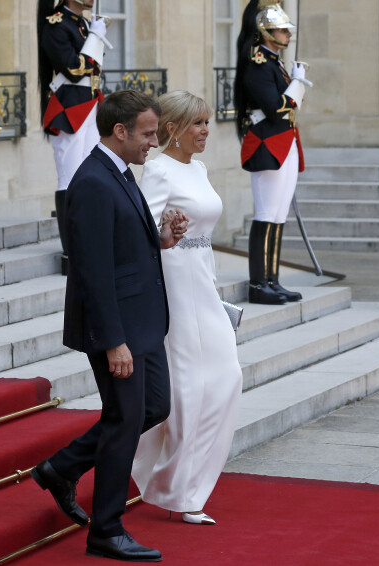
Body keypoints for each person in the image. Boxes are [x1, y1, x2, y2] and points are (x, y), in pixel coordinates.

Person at [29, 90, 188, 562]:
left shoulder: (118, 172)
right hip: (117, 328)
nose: (154, 143)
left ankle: (62, 467)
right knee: (123, 420)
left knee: (154, 406)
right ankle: (108, 528)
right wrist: (114, 342)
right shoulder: (93, 182)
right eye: (148, 133)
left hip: (142, 321)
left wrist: (161, 237)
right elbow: (93, 272)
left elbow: (121, 246)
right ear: (119, 132)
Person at [131, 91, 243, 526]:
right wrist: (166, 232)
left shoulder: (198, 168)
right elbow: (142, 235)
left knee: (226, 378)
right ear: (173, 127)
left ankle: (178, 481)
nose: (205, 131)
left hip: (202, 282)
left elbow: (204, 234)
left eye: (207, 122)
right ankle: (180, 491)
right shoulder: (157, 170)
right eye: (197, 123)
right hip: (174, 286)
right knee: (187, 389)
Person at [234, 0, 311, 305]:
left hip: (284, 140)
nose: (287, 34)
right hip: (268, 142)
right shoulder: (258, 64)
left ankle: (272, 279)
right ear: (266, 32)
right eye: (281, 30)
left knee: (279, 215)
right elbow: (277, 109)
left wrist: (295, 84)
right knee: (266, 214)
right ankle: (258, 282)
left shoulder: (274, 62)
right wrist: (297, 86)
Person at [37, 0, 110, 274]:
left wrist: (94, 33)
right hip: (69, 107)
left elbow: (95, 67)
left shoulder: (83, 23)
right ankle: (71, 250)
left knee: (91, 174)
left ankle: (89, 239)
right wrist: (95, 36)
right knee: (69, 176)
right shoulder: (56, 24)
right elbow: (73, 67)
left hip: (89, 104)